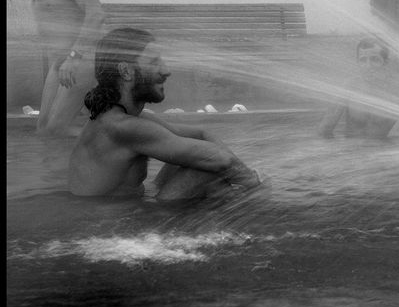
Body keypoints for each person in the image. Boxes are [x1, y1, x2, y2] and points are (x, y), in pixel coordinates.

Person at [68, 27, 262, 200]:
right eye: (154, 62)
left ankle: (241, 210)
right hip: (111, 230)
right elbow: (221, 159)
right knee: (205, 171)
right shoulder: (123, 127)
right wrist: (255, 183)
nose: (166, 70)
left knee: (200, 162)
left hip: (129, 213)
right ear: (126, 71)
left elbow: (201, 135)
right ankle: (253, 213)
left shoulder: (125, 120)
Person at [23, 0, 106, 137]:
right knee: (44, 130)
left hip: (79, 62)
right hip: (59, 65)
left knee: (55, 129)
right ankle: (102, 139)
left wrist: (74, 56)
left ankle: (109, 141)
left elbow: (96, 14)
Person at [318, 38, 399, 139]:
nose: (368, 66)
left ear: (386, 63)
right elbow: (325, 130)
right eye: (363, 60)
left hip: (383, 152)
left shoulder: (397, 94)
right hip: (351, 152)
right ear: (357, 63)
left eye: (374, 59)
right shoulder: (349, 87)